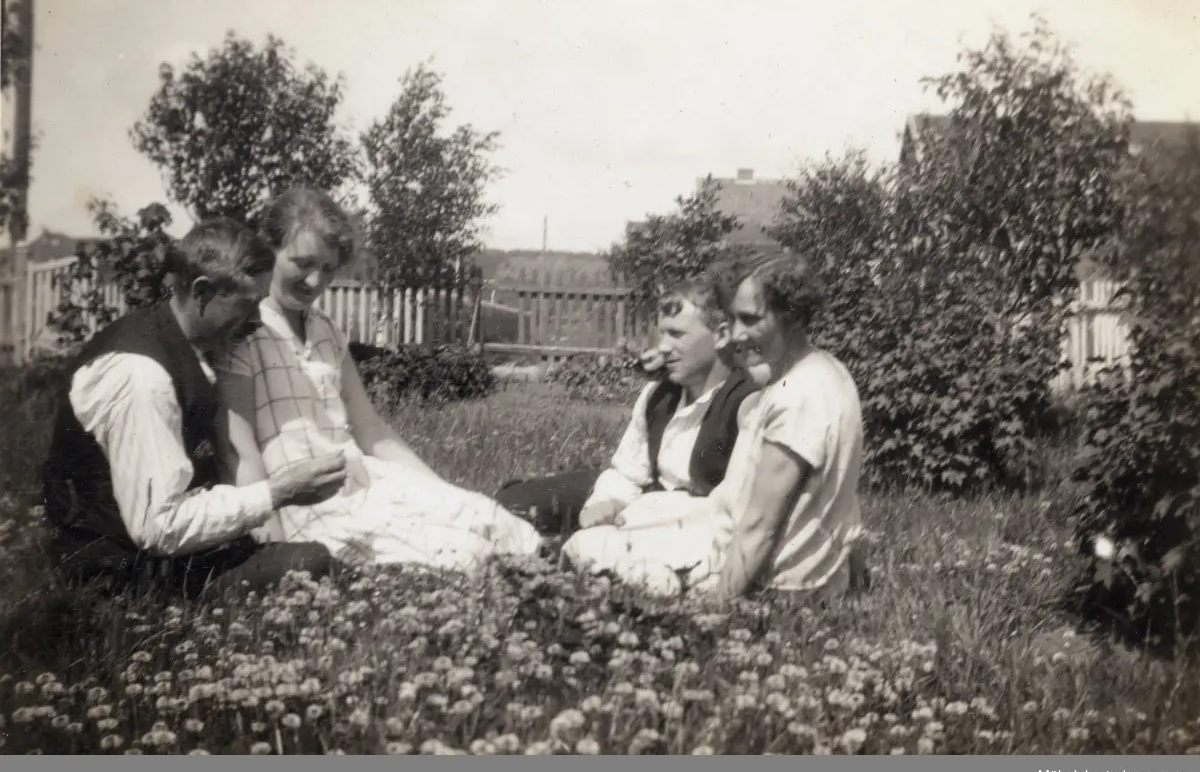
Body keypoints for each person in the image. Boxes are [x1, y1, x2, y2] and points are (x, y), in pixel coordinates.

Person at [215, 187, 543, 572]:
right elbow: (238, 448)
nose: (315, 280)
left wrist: (441, 490)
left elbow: (370, 429)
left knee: (489, 518)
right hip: (304, 502)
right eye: (301, 263)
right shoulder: (242, 331)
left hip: (361, 481)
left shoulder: (326, 330)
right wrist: (270, 544)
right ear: (269, 249)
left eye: (329, 268)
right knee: (456, 556)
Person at [40, 219, 348, 600]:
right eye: (248, 304)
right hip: (115, 571)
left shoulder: (181, 342)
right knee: (308, 563)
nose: (256, 321)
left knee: (321, 561)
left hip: (157, 549)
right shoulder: (140, 376)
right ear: (202, 292)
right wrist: (277, 492)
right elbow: (159, 527)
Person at [562, 245, 867, 603]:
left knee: (584, 547)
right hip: (786, 571)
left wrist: (716, 615)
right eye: (734, 319)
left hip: (765, 584)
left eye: (751, 320)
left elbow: (758, 528)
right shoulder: (827, 371)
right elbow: (844, 509)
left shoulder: (795, 398)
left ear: (794, 317)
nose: (736, 334)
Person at [494, 272, 762, 536]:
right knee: (513, 501)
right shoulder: (659, 394)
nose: (663, 347)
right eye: (662, 334)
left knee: (595, 544)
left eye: (676, 334)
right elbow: (628, 472)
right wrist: (606, 501)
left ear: (722, 335)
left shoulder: (746, 404)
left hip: (690, 519)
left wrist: (638, 511)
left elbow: (737, 506)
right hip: (645, 496)